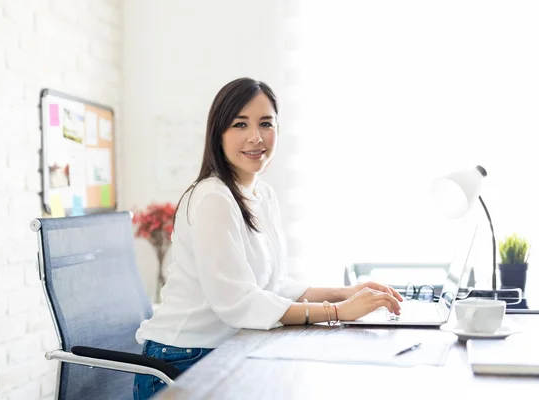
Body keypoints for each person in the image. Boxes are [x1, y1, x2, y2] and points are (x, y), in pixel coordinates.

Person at [133, 77, 403, 399]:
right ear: (218, 133)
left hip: (228, 348)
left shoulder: (263, 195)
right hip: (181, 360)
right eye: (239, 124)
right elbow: (239, 303)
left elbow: (273, 286)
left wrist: (344, 293)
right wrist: (337, 312)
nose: (255, 137)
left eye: (266, 124)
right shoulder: (212, 198)